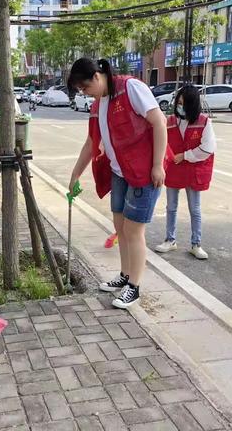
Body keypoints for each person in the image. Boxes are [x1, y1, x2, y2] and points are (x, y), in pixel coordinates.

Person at [68, 58, 169, 308]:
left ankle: (134, 287)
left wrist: (157, 165)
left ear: (96, 77)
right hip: (119, 172)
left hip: (143, 172)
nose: (85, 94)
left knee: (134, 231)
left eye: (85, 88)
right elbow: (92, 142)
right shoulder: (99, 103)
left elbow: (159, 122)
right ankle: (125, 276)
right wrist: (75, 174)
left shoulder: (130, 88)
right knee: (120, 227)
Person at [155, 85, 216, 260]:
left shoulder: (204, 121)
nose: (180, 106)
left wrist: (186, 156)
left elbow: (208, 147)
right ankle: (170, 240)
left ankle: (196, 244)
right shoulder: (170, 121)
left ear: (193, 104)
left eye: (184, 104)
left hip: (193, 169)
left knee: (194, 209)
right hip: (174, 169)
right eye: (178, 103)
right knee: (171, 207)